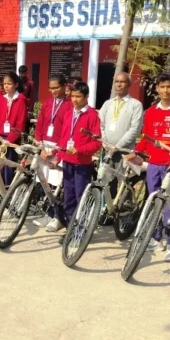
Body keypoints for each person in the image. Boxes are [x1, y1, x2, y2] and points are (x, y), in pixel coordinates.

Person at [126, 72, 170, 260]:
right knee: (155, 201)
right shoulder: (150, 112)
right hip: (153, 165)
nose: (166, 90)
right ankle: (157, 237)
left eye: (169, 87)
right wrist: (136, 152)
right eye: (162, 87)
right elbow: (146, 138)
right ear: (157, 89)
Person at [51, 82, 102, 243]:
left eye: (78, 96)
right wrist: (58, 157)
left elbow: (97, 142)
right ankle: (71, 228)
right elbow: (63, 138)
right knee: (69, 197)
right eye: (72, 96)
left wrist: (80, 149)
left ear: (86, 97)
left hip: (82, 163)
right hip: (67, 161)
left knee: (81, 197)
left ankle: (81, 229)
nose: (74, 100)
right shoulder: (68, 113)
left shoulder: (92, 115)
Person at [98, 72, 143, 216]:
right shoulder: (107, 104)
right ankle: (109, 213)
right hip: (107, 150)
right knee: (107, 181)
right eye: (116, 81)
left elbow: (135, 129)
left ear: (129, 84)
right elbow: (101, 125)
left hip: (125, 151)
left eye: (122, 82)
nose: (118, 84)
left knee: (125, 183)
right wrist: (106, 143)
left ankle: (124, 215)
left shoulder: (135, 105)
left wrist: (117, 146)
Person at [34, 74, 73, 231]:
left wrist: (57, 150)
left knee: (59, 184)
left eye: (56, 87)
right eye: (51, 88)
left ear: (65, 87)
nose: (54, 91)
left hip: (60, 148)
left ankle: (58, 217)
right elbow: (40, 124)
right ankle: (49, 214)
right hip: (45, 148)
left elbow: (69, 130)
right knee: (46, 183)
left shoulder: (70, 104)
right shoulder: (47, 103)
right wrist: (41, 147)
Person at [0, 71, 28, 186]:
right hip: (0, 137)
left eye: (9, 83)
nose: (6, 86)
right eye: (4, 84)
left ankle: (6, 192)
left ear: (16, 85)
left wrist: (10, 140)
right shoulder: (1, 99)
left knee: (8, 167)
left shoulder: (21, 100)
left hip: (11, 140)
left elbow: (20, 123)